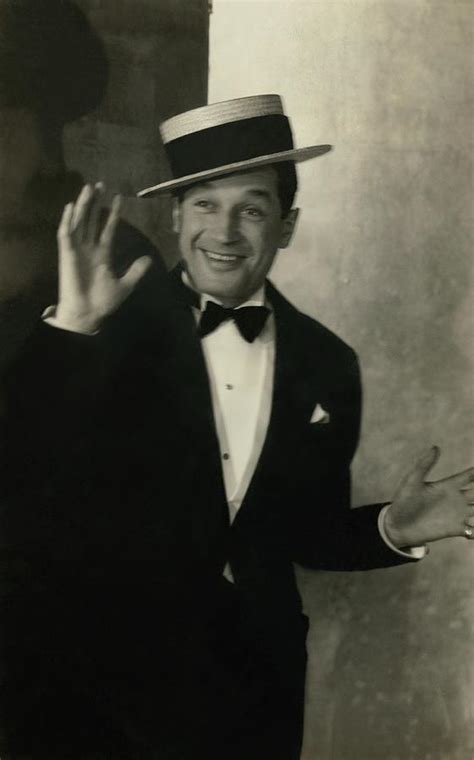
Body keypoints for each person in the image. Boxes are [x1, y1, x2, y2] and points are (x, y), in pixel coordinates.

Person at [1, 95, 473, 759]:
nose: (224, 232)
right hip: (95, 694)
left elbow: (306, 532)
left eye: (251, 209)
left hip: (253, 693)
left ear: (287, 225)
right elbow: (17, 470)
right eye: (204, 204)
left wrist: (392, 530)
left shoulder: (327, 363)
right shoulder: (100, 327)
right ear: (174, 216)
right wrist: (75, 327)